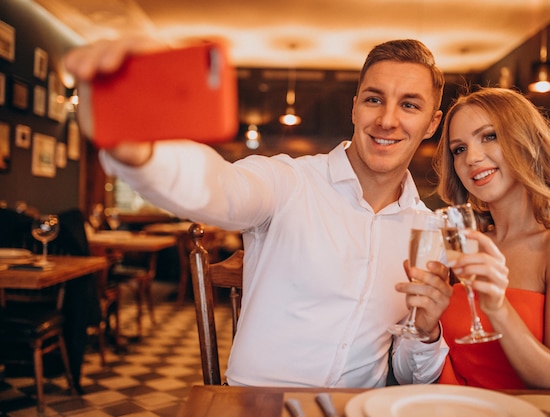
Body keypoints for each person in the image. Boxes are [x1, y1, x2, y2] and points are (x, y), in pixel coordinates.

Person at [64, 38, 453, 387]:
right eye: (374, 99)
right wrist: (142, 154)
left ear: (432, 123)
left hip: (353, 407)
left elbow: (407, 375)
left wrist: (426, 328)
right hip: (255, 404)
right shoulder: (288, 181)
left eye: (409, 105)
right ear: (354, 108)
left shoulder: (428, 232)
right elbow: (220, 190)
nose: (387, 119)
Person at [395, 86, 550, 389]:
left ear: (526, 141)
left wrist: (498, 308)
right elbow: (433, 363)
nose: (472, 157)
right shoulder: (463, 240)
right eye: (459, 149)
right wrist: (426, 328)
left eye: (490, 136)